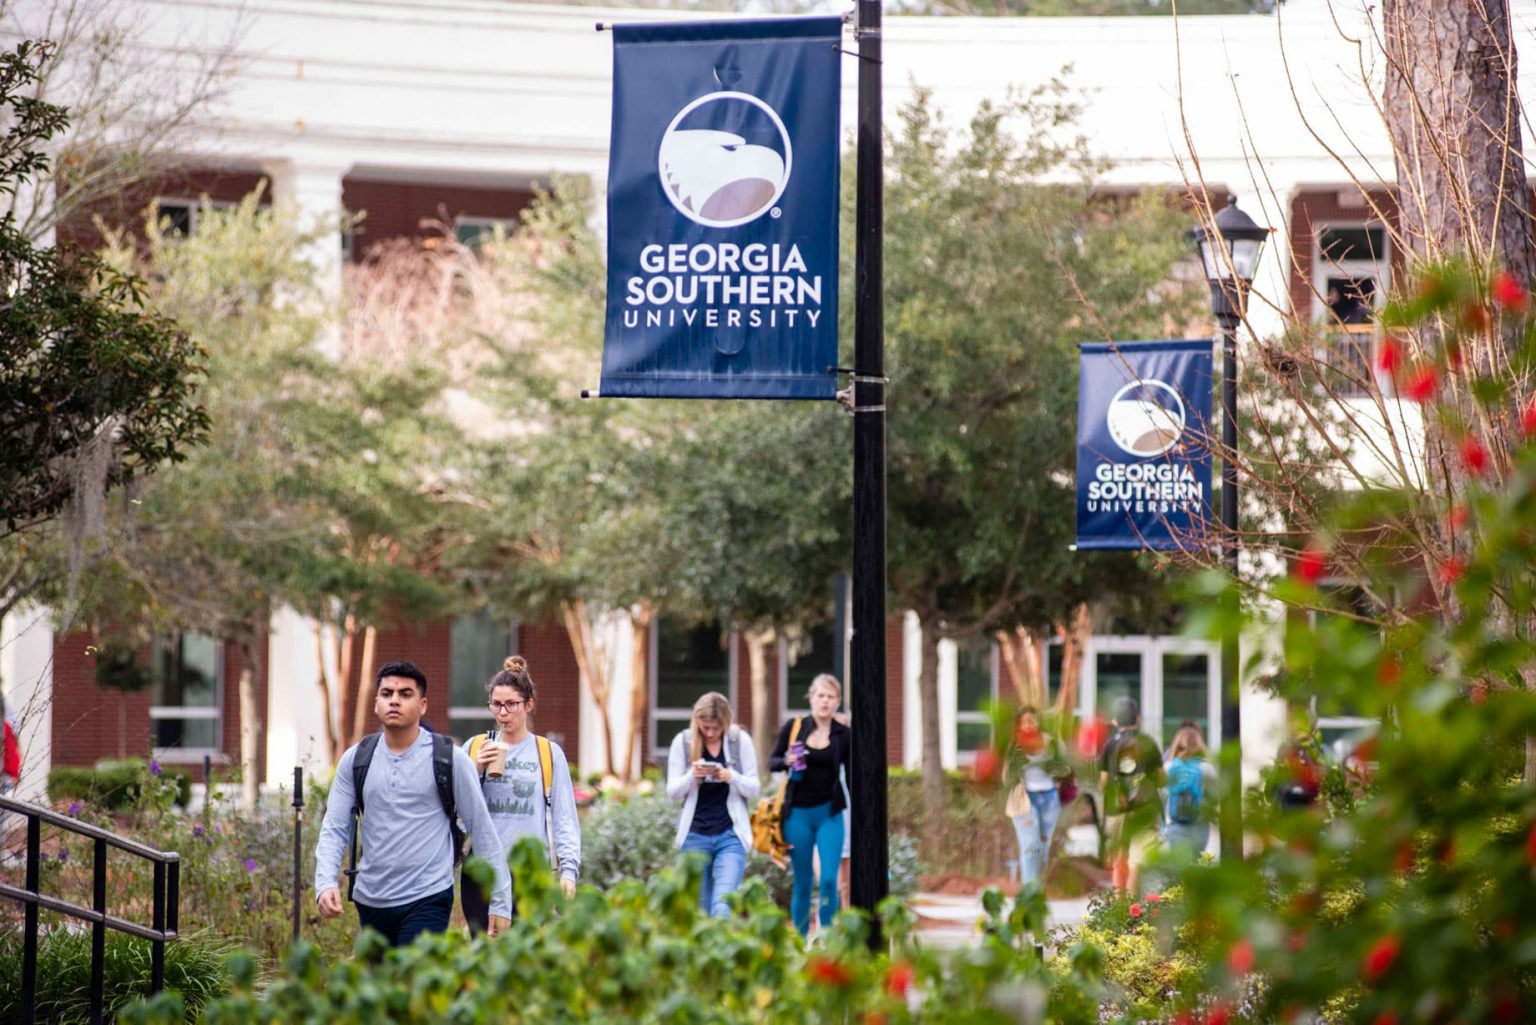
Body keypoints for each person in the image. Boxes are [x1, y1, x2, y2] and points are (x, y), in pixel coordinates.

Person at [314, 660, 512, 947]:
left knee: (412, 986)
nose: (394, 700)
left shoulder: (450, 759)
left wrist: (500, 901)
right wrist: (325, 882)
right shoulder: (356, 759)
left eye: (405, 694)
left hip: (427, 897)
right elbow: (334, 827)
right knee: (377, 989)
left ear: (422, 705)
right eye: (387, 693)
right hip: (371, 900)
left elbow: (482, 830)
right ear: (376, 703)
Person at [463, 655, 581, 932]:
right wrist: (476, 767)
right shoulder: (475, 746)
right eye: (496, 704)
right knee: (483, 950)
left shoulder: (548, 753)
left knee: (525, 956)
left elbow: (565, 817)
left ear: (528, 705)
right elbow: (456, 811)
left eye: (512, 704)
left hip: (529, 870)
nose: (503, 712)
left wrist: (569, 871)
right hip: (482, 869)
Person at [769, 673, 851, 937]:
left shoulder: (844, 735)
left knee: (829, 881)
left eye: (831, 697)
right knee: (803, 882)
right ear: (811, 697)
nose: (825, 702)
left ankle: (827, 938)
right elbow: (772, 761)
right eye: (820, 696)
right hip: (797, 816)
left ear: (838, 701)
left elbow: (852, 775)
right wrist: (787, 762)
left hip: (830, 813)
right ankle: (800, 941)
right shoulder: (795, 727)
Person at [665, 692, 760, 918]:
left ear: (726, 723)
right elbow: (672, 793)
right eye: (705, 727)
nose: (710, 733)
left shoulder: (740, 741)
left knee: (723, 906)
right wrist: (693, 776)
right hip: (694, 836)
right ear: (696, 721)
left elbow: (755, 788)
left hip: (730, 835)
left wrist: (731, 776)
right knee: (700, 911)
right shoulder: (684, 741)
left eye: (716, 728)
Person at [1097, 696, 1163, 896]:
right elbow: (1161, 779)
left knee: (1119, 862)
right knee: (1136, 863)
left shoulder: (1109, 746)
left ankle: (1119, 910)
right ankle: (1133, 913)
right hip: (1144, 810)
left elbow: (1104, 784)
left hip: (1116, 811)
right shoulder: (1148, 743)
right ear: (1138, 719)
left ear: (1115, 722)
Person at [1004, 707, 1072, 890]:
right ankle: (1029, 893)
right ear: (1018, 725)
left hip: (1049, 798)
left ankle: (1037, 888)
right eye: (1024, 722)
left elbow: (1065, 768)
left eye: (1031, 721)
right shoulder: (1014, 746)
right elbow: (1006, 777)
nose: (1028, 725)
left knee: (1043, 848)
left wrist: (1054, 770)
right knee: (1030, 846)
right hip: (1025, 800)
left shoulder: (1051, 743)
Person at [1160, 723, 1216, 856]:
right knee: (1195, 867)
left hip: (1175, 826)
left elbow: (1161, 797)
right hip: (1200, 827)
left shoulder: (1168, 768)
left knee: (1179, 870)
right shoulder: (1207, 768)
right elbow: (1215, 798)